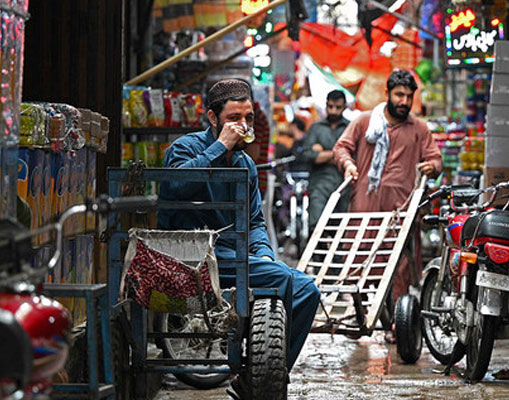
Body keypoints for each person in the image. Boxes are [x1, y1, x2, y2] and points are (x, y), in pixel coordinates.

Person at [157, 79, 320, 398]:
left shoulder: (245, 164)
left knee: (306, 290)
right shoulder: (185, 147)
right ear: (213, 118)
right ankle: (263, 377)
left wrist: (264, 252)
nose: (243, 126)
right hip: (192, 256)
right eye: (234, 118)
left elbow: (256, 220)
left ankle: (263, 374)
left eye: (247, 118)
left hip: (235, 258)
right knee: (292, 285)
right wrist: (220, 147)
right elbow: (175, 187)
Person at [333, 69, 442, 307]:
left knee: (399, 265)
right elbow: (341, 147)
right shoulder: (363, 122)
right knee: (359, 258)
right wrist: (348, 164)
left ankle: (397, 323)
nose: (404, 101)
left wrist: (432, 167)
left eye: (408, 96)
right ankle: (359, 314)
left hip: (400, 210)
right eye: (398, 95)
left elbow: (436, 159)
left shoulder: (419, 128)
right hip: (365, 207)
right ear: (387, 93)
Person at [302, 90, 351, 232]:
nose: (334, 111)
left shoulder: (350, 128)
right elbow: (309, 155)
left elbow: (354, 157)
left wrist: (323, 153)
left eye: (338, 107)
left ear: (344, 107)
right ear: (326, 105)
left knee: (341, 228)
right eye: (330, 107)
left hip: (344, 185)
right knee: (316, 225)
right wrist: (338, 155)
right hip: (319, 184)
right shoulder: (316, 128)